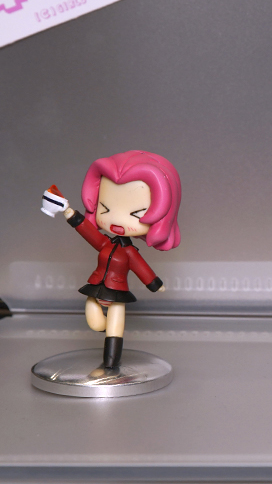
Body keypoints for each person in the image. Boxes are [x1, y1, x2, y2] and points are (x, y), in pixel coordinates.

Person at [44, 150, 182, 369]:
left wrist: (154, 284)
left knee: (115, 327)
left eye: (135, 213)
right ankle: (103, 330)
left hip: (118, 291)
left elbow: (141, 267)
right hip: (96, 285)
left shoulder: (130, 253)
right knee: (94, 320)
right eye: (105, 208)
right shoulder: (104, 243)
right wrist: (70, 213)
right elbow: (89, 232)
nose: (117, 220)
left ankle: (111, 361)